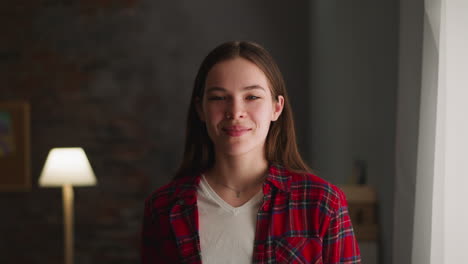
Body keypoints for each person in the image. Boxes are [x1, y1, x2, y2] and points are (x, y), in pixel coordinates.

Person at [141, 41, 361, 264]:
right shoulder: (163, 208)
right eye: (219, 97)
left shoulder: (322, 203)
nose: (235, 112)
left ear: (277, 107)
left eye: (252, 97)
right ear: (200, 109)